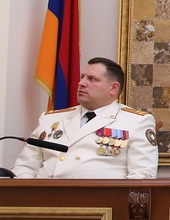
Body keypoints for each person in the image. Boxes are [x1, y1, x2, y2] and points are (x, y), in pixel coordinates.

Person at [12, 57, 159, 178]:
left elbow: (142, 175)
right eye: (82, 77)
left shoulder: (136, 121)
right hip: (44, 198)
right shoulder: (50, 119)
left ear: (113, 88)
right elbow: (24, 167)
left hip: (99, 202)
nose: (81, 83)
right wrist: (31, 192)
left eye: (92, 79)